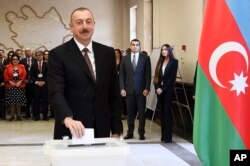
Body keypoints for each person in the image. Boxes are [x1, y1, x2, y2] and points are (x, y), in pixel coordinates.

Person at [48, 7, 123, 139]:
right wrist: (67, 118)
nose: (85, 26)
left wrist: (116, 131)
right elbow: (56, 91)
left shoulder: (107, 53)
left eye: (88, 22)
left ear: (94, 24)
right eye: (79, 22)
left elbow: (114, 94)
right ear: (71, 27)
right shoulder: (58, 54)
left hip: (101, 128)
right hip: (72, 128)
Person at [119, 39, 151, 140]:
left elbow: (148, 74)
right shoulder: (125, 58)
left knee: (142, 113)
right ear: (130, 46)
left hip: (141, 90)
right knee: (130, 113)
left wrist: (147, 88)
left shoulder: (145, 58)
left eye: (137, 45)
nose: (135, 47)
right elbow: (121, 75)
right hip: (128, 90)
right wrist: (122, 88)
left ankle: (141, 133)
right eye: (133, 45)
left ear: (139, 46)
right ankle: (130, 133)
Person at [153, 44, 178, 143]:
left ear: (169, 51)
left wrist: (162, 89)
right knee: (162, 113)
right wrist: (157, 88)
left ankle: (168, 137)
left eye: (165, 49)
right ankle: (163, 135)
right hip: (159, 91)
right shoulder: (160, 61)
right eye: (162, 50)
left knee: (167, 112)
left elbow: (171, 78)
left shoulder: (174, 62)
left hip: (167, 91)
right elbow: (156, 77)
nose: (163, 51)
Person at [4, 53, 27, 121]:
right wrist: (10, 81)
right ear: (11, 60)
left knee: (18, 101)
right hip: (10, 86)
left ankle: (18, 116)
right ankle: (12, 116)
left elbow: (24, 74)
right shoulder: (8, 66)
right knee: (12, 102)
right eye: (13, 59)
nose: (15, 60)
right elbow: (5, 75)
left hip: (19, 86)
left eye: (16, 59)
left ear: (18, 60)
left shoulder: (22, 66)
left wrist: (20, 81)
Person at [30, 50, 49, 121]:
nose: (38, 56)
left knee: (45, 101)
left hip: (45, 85)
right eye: (37, 55)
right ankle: (37, 116)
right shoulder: (33, 64)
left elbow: (49, 75)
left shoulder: (47, 64)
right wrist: (36, 82)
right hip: (36, 86)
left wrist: (44, 82)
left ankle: (45, 116)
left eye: (39, 55)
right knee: (36, 101)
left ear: (42, 56)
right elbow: (31, 75)